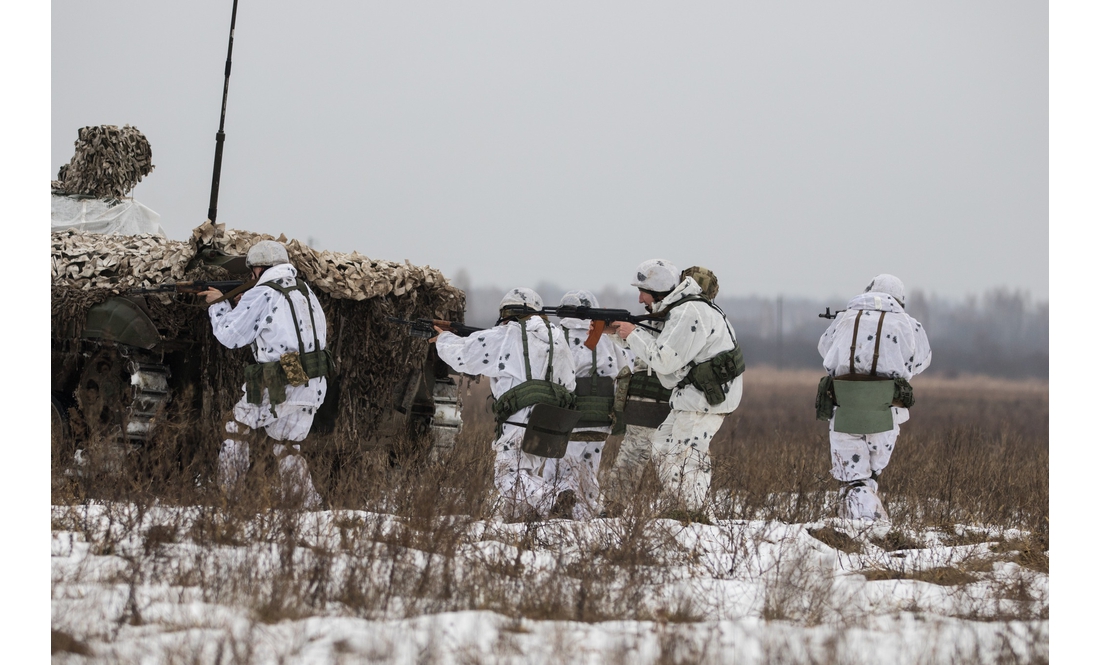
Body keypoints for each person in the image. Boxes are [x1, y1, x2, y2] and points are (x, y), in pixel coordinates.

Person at [199, 240, 329, 509]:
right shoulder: (305, 291)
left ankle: (227, 496)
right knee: (287, 445)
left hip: (281, 379)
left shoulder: (263, 293)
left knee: (236, 427)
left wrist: (218, 304)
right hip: (314, 381)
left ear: (258, 268)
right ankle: (306, 504)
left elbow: (231, 336)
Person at [609, 259, 745, 517]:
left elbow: (664, 359)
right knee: (663, 445)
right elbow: (657, 342)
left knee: (685, 455)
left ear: (658, 290)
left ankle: (690, 515)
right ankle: (682, 508)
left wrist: (632, 333)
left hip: (704, 398)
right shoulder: (682, 309)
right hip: (693, 396)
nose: (639, 299)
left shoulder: (688, 312)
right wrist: (618, 332)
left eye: (643, 291)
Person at [432, 288, 576, 521]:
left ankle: (554, 498)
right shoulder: (558, 338)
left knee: (507, 476)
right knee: (525, 474)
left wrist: (444, 339)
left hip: (520, 419)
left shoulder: (509, 334)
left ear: (507, 312)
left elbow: (465, 357)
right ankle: (517, 525)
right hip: (552, 420)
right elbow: (570, 383)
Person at [817, 274, 931, 523]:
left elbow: (825, 348)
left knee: (853, 478)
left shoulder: (845, 317)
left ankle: (868, 525)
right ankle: (864, 526)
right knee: (869, 477)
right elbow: (922, 360)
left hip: (845, 405)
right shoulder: (909, 324)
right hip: (886, 409)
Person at [540, 289, 633, 520]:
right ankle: (586, 511)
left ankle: (560, 503)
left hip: (568, 414)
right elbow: (627, 365)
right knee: (590, 466)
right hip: (600, 416)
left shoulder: (556, 336)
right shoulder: (605, 339)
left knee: (559, 464)